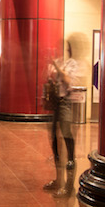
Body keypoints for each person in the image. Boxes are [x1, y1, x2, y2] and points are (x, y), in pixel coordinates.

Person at [46, 55, 81, 197]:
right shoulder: (64, 62)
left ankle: (69, 186)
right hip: (56, 103)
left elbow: (67, 80)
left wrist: (57, 67)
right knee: (54, 140)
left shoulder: (73, 63)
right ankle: (58, 180)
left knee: (67, 137)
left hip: (65, 103)